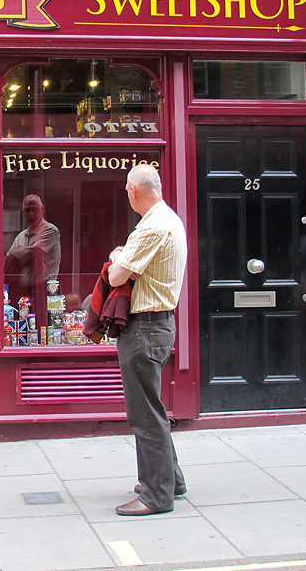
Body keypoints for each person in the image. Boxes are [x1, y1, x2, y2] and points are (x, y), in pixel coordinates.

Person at [108, 164, 188, 517]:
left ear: (134, 191)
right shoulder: (170, 219)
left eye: (127, 190)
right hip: (158, 325)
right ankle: (172, 480)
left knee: (144, 414)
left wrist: (116, 256)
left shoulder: (152, 226)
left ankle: (157, 495)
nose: (127, 195)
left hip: (144, 328)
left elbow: (116, 276)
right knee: (152, 408)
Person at [4, 194, 61, 304]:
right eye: (27, 210)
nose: (31, 214)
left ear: (42, 209)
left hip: (43, 289)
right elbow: (8, 259)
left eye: (34, 209)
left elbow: (29, 254)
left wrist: (18, 252)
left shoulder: (50, 230)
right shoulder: (21, 236)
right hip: (23, 290)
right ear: (23, 212)